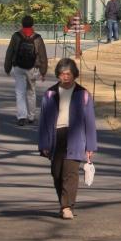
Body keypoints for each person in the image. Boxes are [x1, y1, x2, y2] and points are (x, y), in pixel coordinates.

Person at [37, 57, 97, 220]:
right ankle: (64, 204)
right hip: (55, 136)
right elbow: (43, 120)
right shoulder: (50, 94)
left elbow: (90, 121)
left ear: (74, 74)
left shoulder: (83, 94)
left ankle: (67, 206)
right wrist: (43, 144)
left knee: (70, 172)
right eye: (62, 74)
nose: (66, 77)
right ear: (58, 75)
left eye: (69, 74)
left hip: (76, 136)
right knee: (57, 172)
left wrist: (90, 146)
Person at [4, 15, 48, 126]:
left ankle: (21, 117)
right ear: (33, 24)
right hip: (32, 68)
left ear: (21, 24)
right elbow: (43, 55)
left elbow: (9, 52)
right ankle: (31, 116)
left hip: (18, 67)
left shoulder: (16, 36)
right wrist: (43, 72)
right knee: (31, 91)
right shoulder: (37, 38)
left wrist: (7, 67)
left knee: (20, 92)